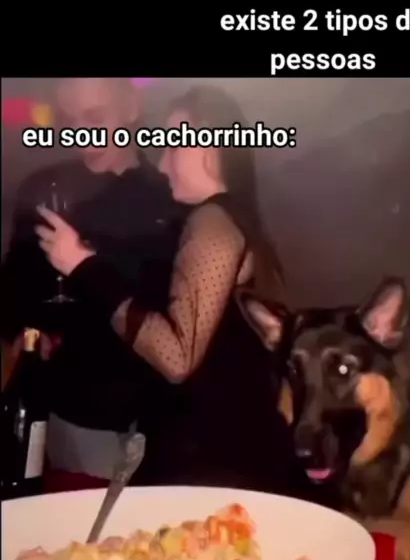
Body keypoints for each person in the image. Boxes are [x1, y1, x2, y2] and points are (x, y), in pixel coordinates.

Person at [34, 85, 309, 496]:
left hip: (208, 459)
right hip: (229, 453)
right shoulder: (235, 217)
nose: (163, 164)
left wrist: (83, 266)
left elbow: (177, 358)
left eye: (173, 145)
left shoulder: (212, 221)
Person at [0, 77, 185, 485]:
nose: (82, 132)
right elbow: (13, 287)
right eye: (71, 120)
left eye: (95, 117)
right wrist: (25, 330)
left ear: (132, 107)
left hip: (162, 415)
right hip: (76, 410)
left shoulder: (173, 192)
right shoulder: (43, 189)